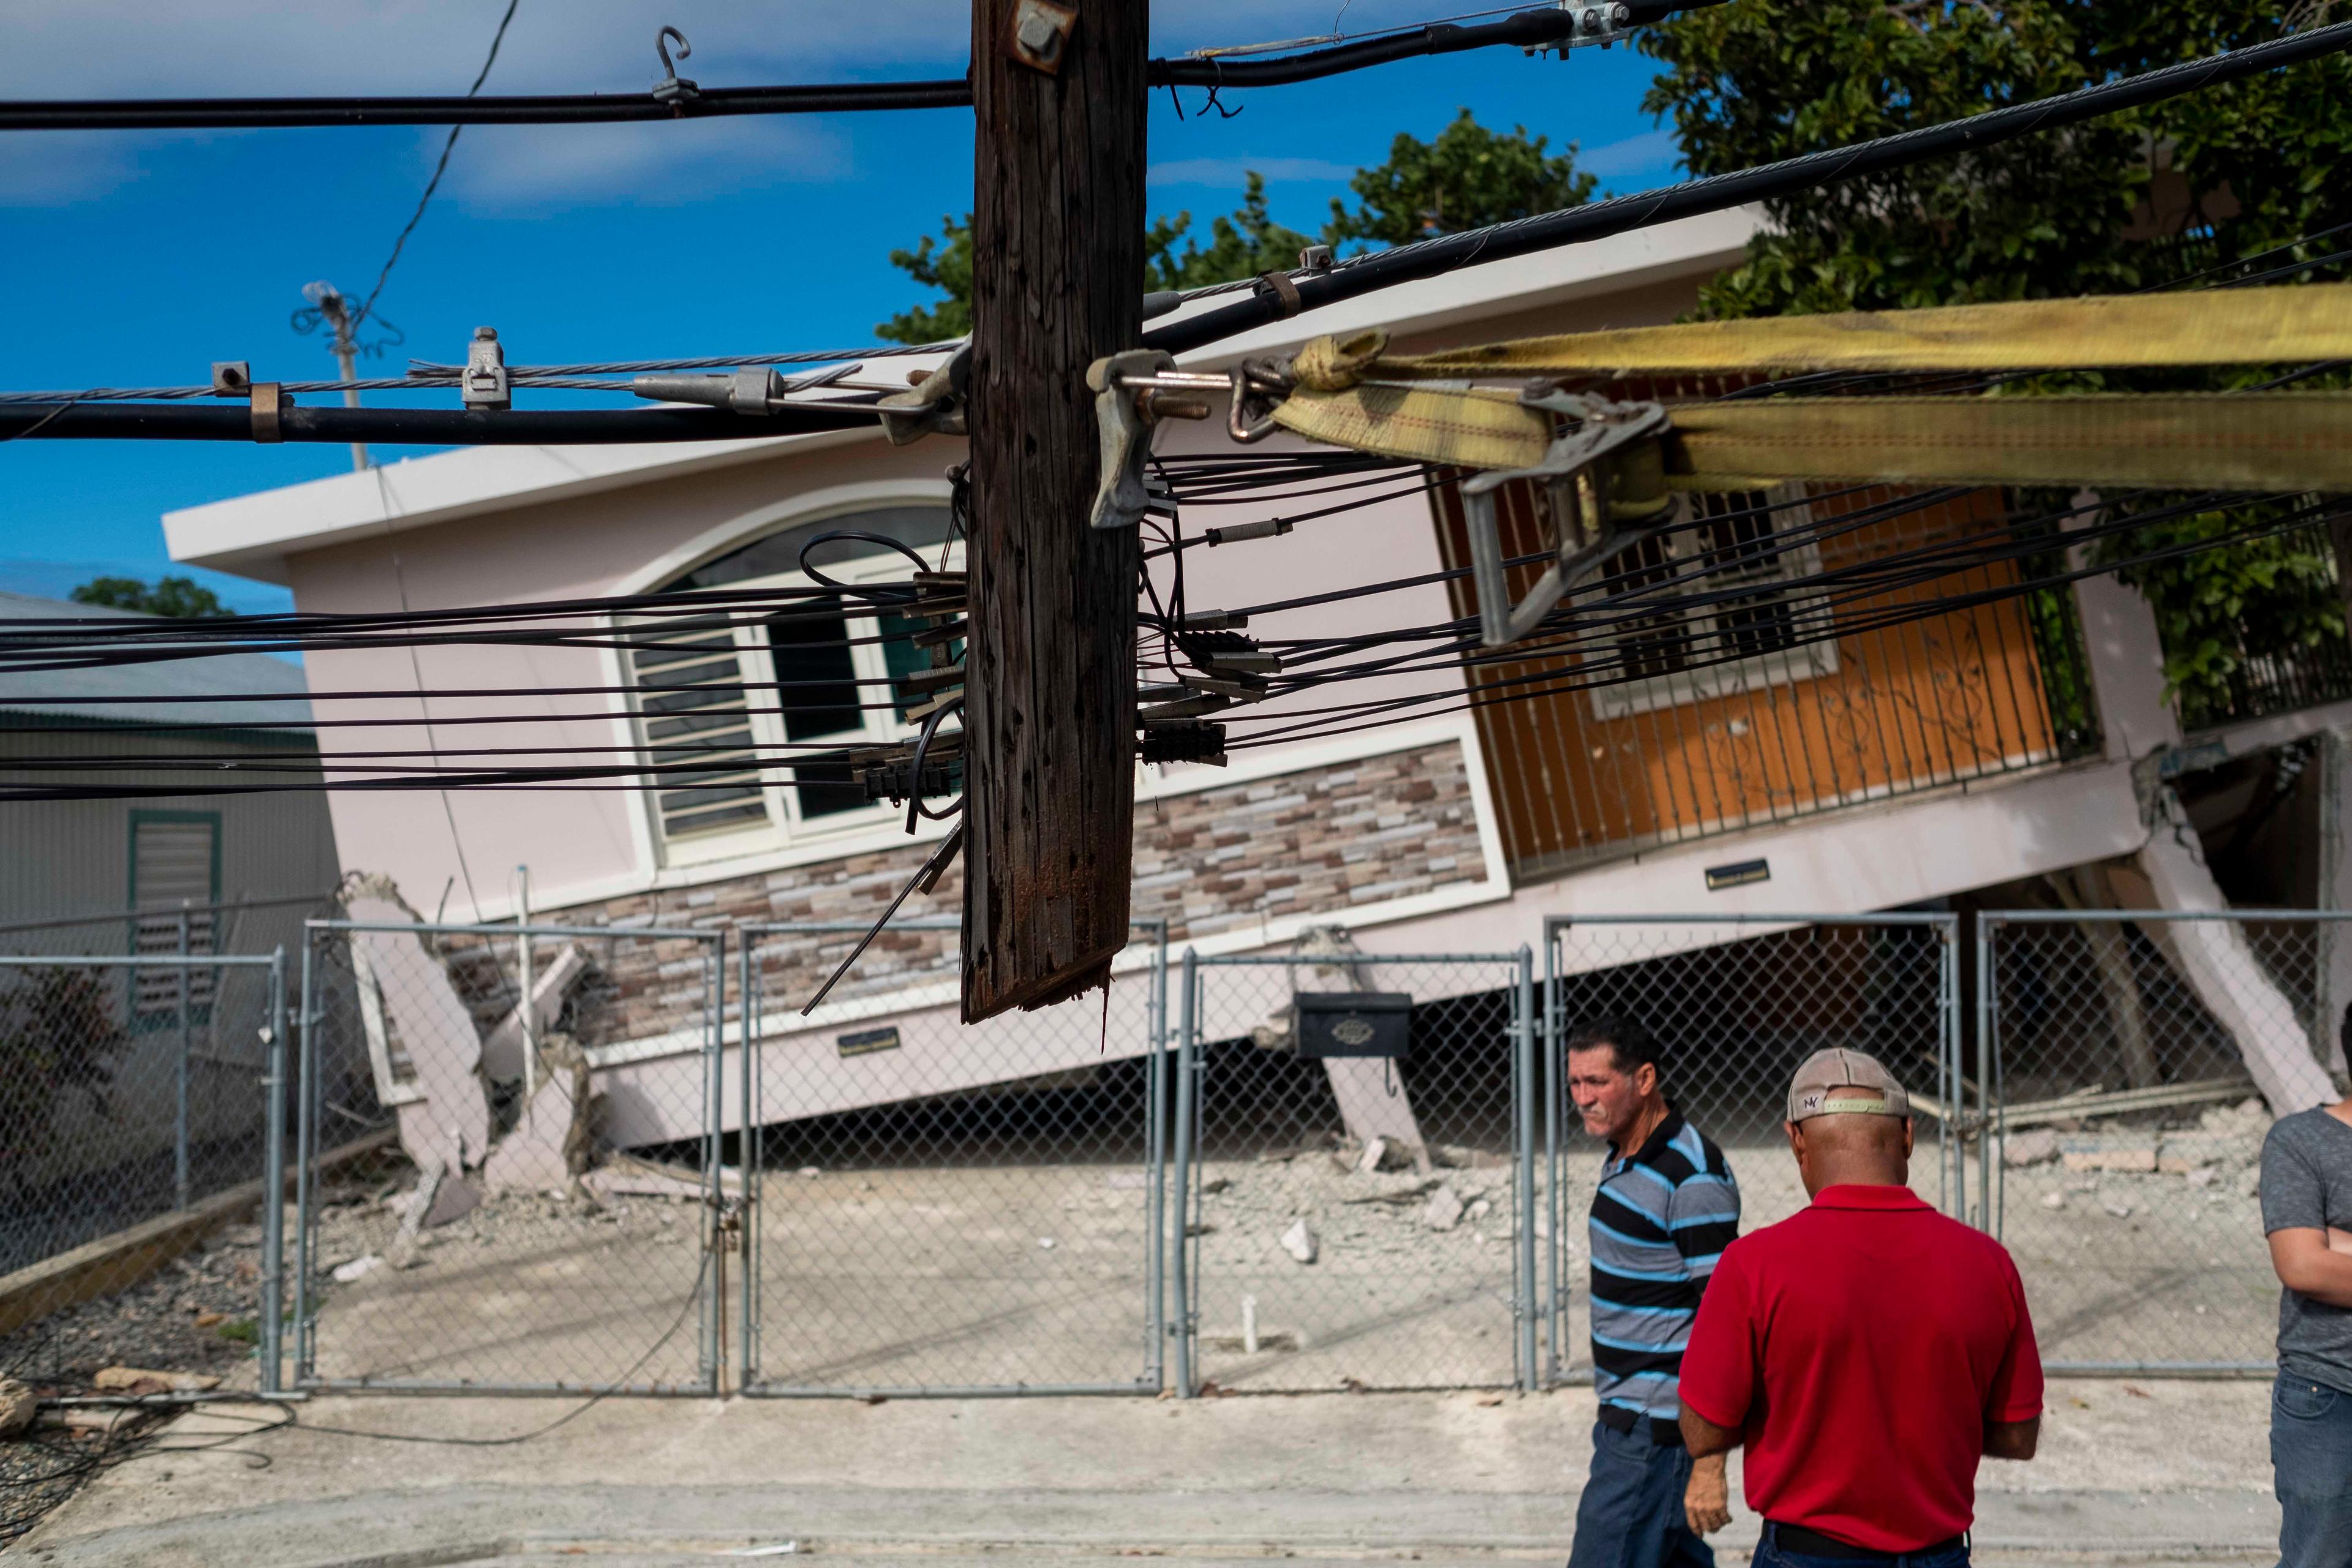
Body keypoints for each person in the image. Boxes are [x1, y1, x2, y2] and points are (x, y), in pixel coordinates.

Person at [1675, 1047, 2042, 1568]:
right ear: (1908, 1136)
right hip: (1938, 1555)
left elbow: (1704, 1428)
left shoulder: (1752, 1265)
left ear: (1796, 1139)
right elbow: (2018, 1434)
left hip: (1806, 1554)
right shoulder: (1989, 1263)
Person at [1563, 1015, 1741, 1568]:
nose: (1584, 1099)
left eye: (1598, 1083)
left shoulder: (1692, 1180)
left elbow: (1727, 1321)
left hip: (1654, 1430)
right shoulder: (1624, 1152)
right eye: (1575, 1083)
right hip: (1626, 1415)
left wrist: (1710, 1460)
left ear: (1644, 1080)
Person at [2258, 1009, 2352, 1568]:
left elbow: (2320, 1259)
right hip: (2329, 1394)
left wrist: (2338, 1243)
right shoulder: (2300, 1140)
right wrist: (2320, 1252)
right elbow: (2303, 1268)